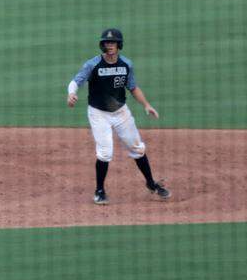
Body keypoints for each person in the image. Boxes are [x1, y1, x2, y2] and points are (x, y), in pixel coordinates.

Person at [67, 28, 171, 205]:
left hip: (121, 112)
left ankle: (151, 184)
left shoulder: (126, 65)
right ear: (103, 45)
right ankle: (99, 191)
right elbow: (76, 81)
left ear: (119, 45)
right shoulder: (93, 65)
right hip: (98, 113)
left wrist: (146, 105)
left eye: (113, 42)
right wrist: (71, 93)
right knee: (105, 153)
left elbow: (133, 88)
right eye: (107, 43)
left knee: (138, 148)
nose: (110, 45)